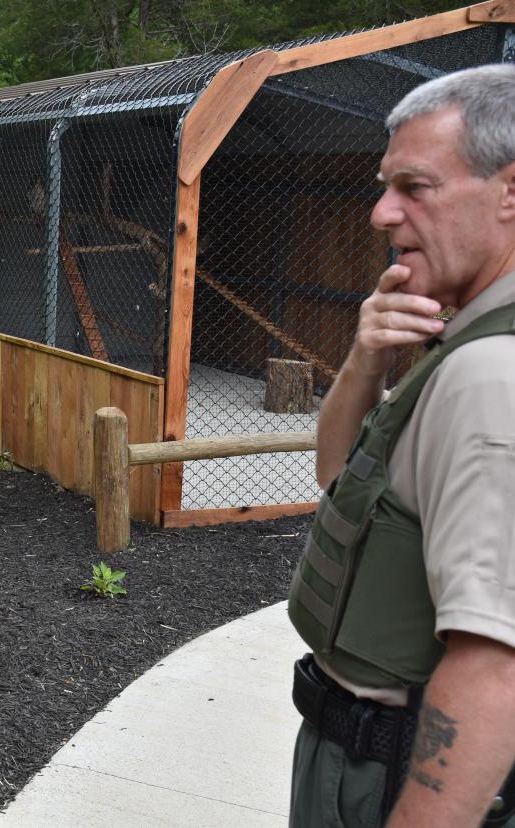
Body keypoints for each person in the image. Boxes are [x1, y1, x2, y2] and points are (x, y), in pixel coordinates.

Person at [287, 64, 515, 827]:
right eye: (385, 186)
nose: (382, 213)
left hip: (394, 771)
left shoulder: (491, 376)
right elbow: (339, 482)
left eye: (414, 187)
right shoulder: (465, 339)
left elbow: (494, 670)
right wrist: (365, 361)